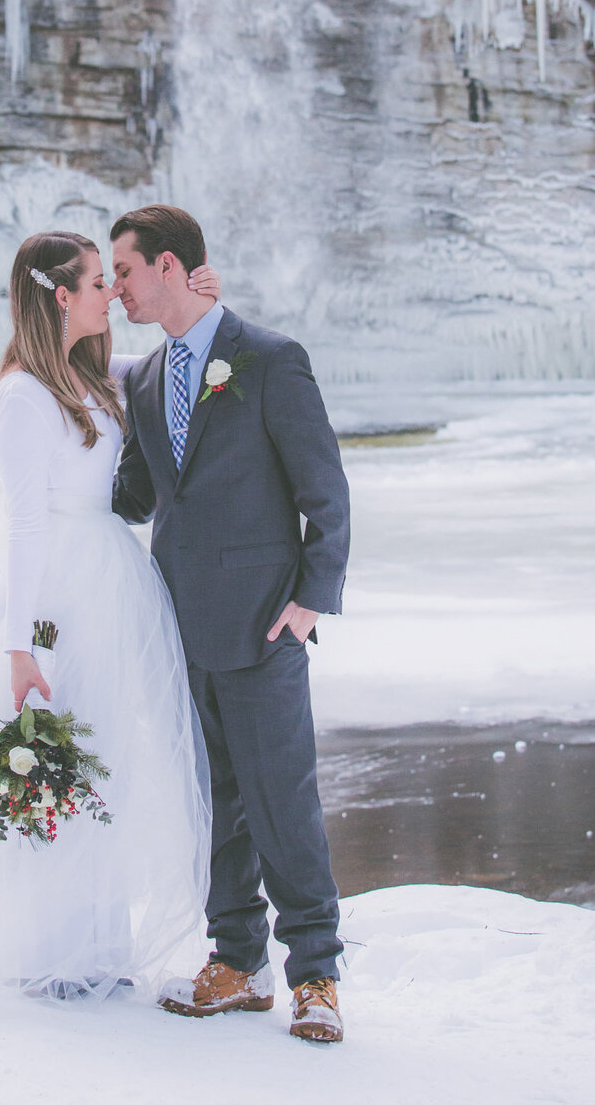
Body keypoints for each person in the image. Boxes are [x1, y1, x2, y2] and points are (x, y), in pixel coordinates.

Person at [0, 230, 217, 1001]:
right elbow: (25, 524)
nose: (114, 294)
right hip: (53, 598)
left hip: (104, 585)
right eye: (101, 282)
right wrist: (19, 645)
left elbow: (178, 363)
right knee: (52, 760)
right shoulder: (23, 395)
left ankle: (98, 947)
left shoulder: (89, 377)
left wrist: (204, 306)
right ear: (63, 297)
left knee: (98, 763)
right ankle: (45, 950)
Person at [111, 204, 351, 1045]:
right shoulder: (140, 380)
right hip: (178, 624)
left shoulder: (269, 359)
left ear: (170, 267)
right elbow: (138, 496)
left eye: (126, 273)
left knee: (283, 802)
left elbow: (324, 490)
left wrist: (310, 600)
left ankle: (315, 975)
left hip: (263, 625)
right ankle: (236, 962)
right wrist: (62, 474)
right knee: (211, 805)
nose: (115, 291)